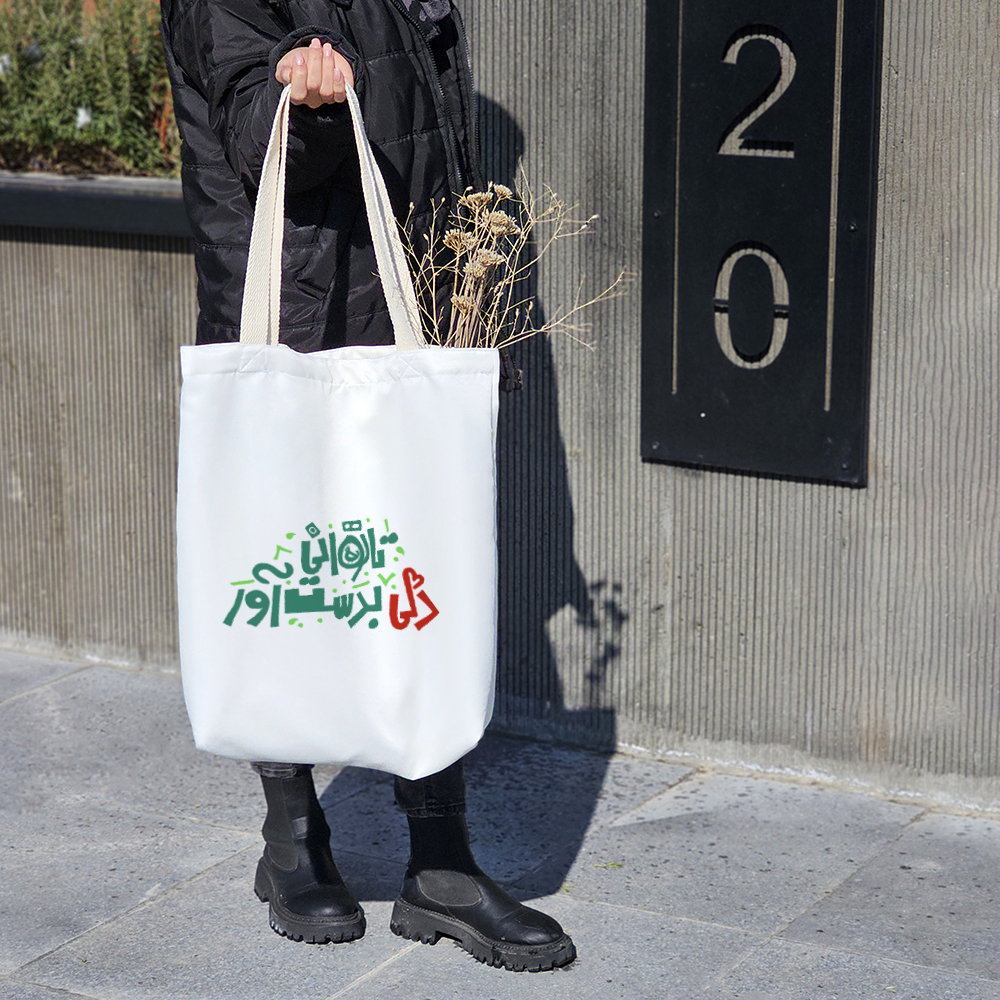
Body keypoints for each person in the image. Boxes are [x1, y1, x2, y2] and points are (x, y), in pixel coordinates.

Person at [159, 0, 574, 973]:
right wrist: (300, 106)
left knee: (414, 574)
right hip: (297, 300)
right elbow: (254, 135)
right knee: (289, 571)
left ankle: (442, 861)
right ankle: (293, 837)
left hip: (399, 298)